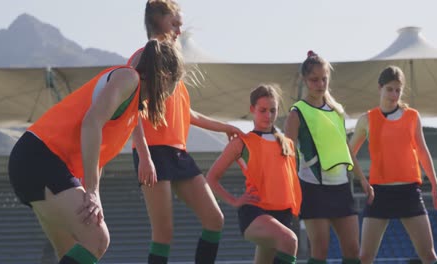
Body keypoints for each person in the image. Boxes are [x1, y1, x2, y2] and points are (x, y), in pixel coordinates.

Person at [8, 39, 183, 264]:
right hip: (39, 158)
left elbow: (96, 152)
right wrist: (91, 190)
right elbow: (91, 123)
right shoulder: (128, 78)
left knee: (72, 250)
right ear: (166, 77)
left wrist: (95, 194)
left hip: (36, 160)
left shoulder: (131, 103)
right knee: (97, 239)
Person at [128, 1, 244, 263]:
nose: (179, 30)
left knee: (215, 219)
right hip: (152, 152)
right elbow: (131, 109)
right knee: (163, 234)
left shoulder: (173, 65)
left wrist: (226, 126)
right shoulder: (141, 58)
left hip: (179, 154)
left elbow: (186, 113)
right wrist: (144, 156)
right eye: (175, 24)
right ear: (157, 21)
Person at [283, 51, 374, 264]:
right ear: (304, 80)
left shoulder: (337, 111)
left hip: (341, 187)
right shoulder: (297, 112)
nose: (320, 83)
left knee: (353, 250)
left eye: (324, 79)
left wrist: (362, 179)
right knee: (320, 250)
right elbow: (286, 156)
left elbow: (346, 149)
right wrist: (290, 191)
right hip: (313, 188)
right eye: (314, 79)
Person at [349, 65, 437, 264]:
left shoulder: (412, 116)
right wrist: (363, 181)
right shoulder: (367, 119)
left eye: (398, 90)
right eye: (389, 89)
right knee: (364, 257)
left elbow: (423, 151)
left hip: (409, 192)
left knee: (428, 255)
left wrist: (435, 184)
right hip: (379, 194)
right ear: (380, 88)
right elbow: (348, 153)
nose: (394, 94)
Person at [206, 84, 302, 264]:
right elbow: (211, 178)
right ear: (252, 110)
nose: (268, 116)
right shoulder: (242, 142)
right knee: (289, 241)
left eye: (273, 111)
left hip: (283, 215)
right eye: (263, 110)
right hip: (255, 214)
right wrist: (235, 201)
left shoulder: (287, 144)